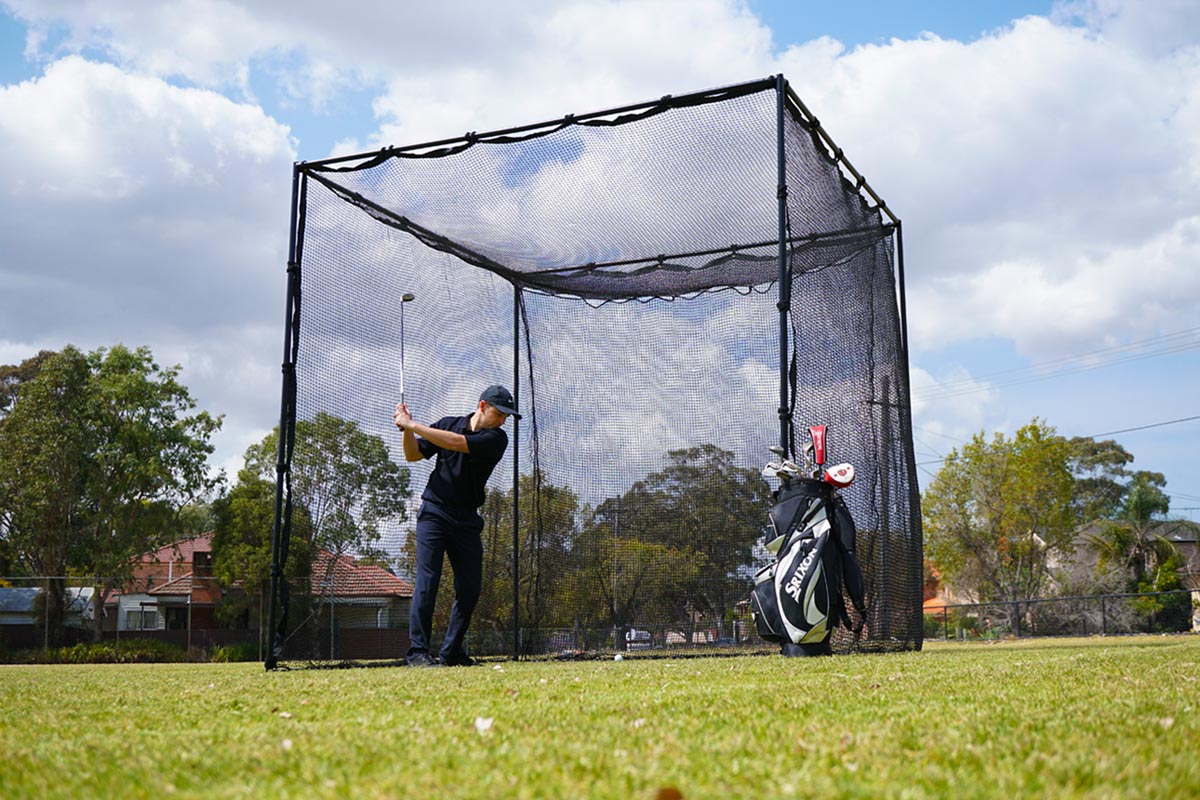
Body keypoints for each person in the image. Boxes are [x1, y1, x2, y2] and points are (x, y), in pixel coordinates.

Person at [393, 384, 520, 667]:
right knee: (428, 582)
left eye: (506, 417)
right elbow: (413, 455)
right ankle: (418, 653)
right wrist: (407, 431)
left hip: (466, 519)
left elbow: (454, 443)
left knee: (470, 588)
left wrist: (413, 423)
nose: (503, 421)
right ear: (483, 406)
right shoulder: (448, 424)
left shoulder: (496, 439)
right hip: (434, 514)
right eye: (500, 414)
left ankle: (451, 653)